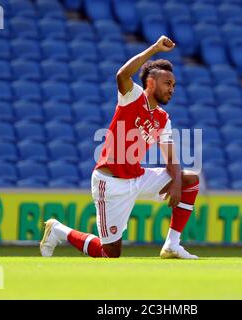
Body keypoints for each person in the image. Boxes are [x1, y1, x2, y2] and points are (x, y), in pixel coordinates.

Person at [40, 35, 200, 259]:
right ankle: (58, 231)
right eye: (167, 83)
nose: (172, 89)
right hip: (111, 182)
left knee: (189, 179)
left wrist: (176, 182)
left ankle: (172, 245)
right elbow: (122, 74)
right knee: (110, 254)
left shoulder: (163, 118)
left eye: (173, 84)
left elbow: (171, 157)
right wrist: (154, 49)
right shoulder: (132, 97)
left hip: (137, 177)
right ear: (151, 83)